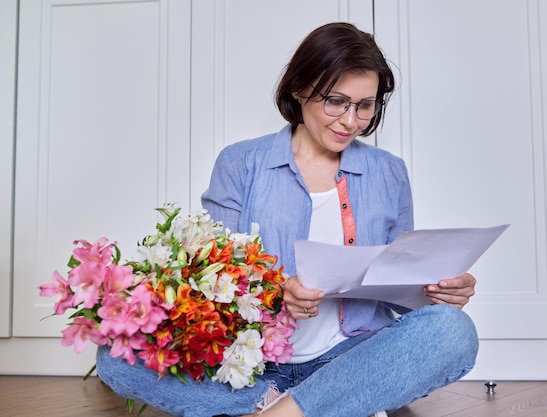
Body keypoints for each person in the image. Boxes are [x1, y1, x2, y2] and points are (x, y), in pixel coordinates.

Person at [96, 22, 478, 417]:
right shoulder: (241, 163)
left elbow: (400, 285)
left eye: (365, 105)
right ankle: (302, 406)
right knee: (116, 354)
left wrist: (435, 292)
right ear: (299, 89)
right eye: (336, 101)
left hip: (350, 357)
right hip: (251, 365)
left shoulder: (389, 172)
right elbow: (208, 284)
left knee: (452, 329)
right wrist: (277, 292)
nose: (351, 121)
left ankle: (288, 411)